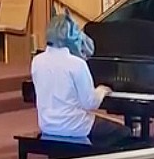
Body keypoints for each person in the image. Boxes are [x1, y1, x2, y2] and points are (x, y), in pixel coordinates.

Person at [31, 14, 131, 147]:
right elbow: (90, 103)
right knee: (124, 131)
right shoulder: (76, 64)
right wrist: (101, 90)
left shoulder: (37, 61)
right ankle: (94, 155)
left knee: (104, 123)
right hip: (75, 127)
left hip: (47, 125)